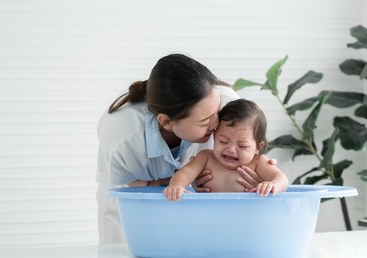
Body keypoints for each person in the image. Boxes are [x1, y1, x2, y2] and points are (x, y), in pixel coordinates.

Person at [96, 54, 276, 244]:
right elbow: (136, 188)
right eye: (205, 121)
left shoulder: (227, 104)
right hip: (131, 208)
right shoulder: (122, 135)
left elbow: (249, 148)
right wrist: (188, 179)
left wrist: (261, 169)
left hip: (202, 218)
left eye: (216, 112)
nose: (216, 124)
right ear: (166, 121)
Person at [164, 98, 289, 201]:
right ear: (214, 136)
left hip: (245, 218)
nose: (231, 150)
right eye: (223, 141)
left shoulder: (258, 162)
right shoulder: (206, 157)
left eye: (242, 146)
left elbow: (281, 178)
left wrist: (273, 185)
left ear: (258, 147)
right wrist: (176, 186)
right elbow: (185, 173)